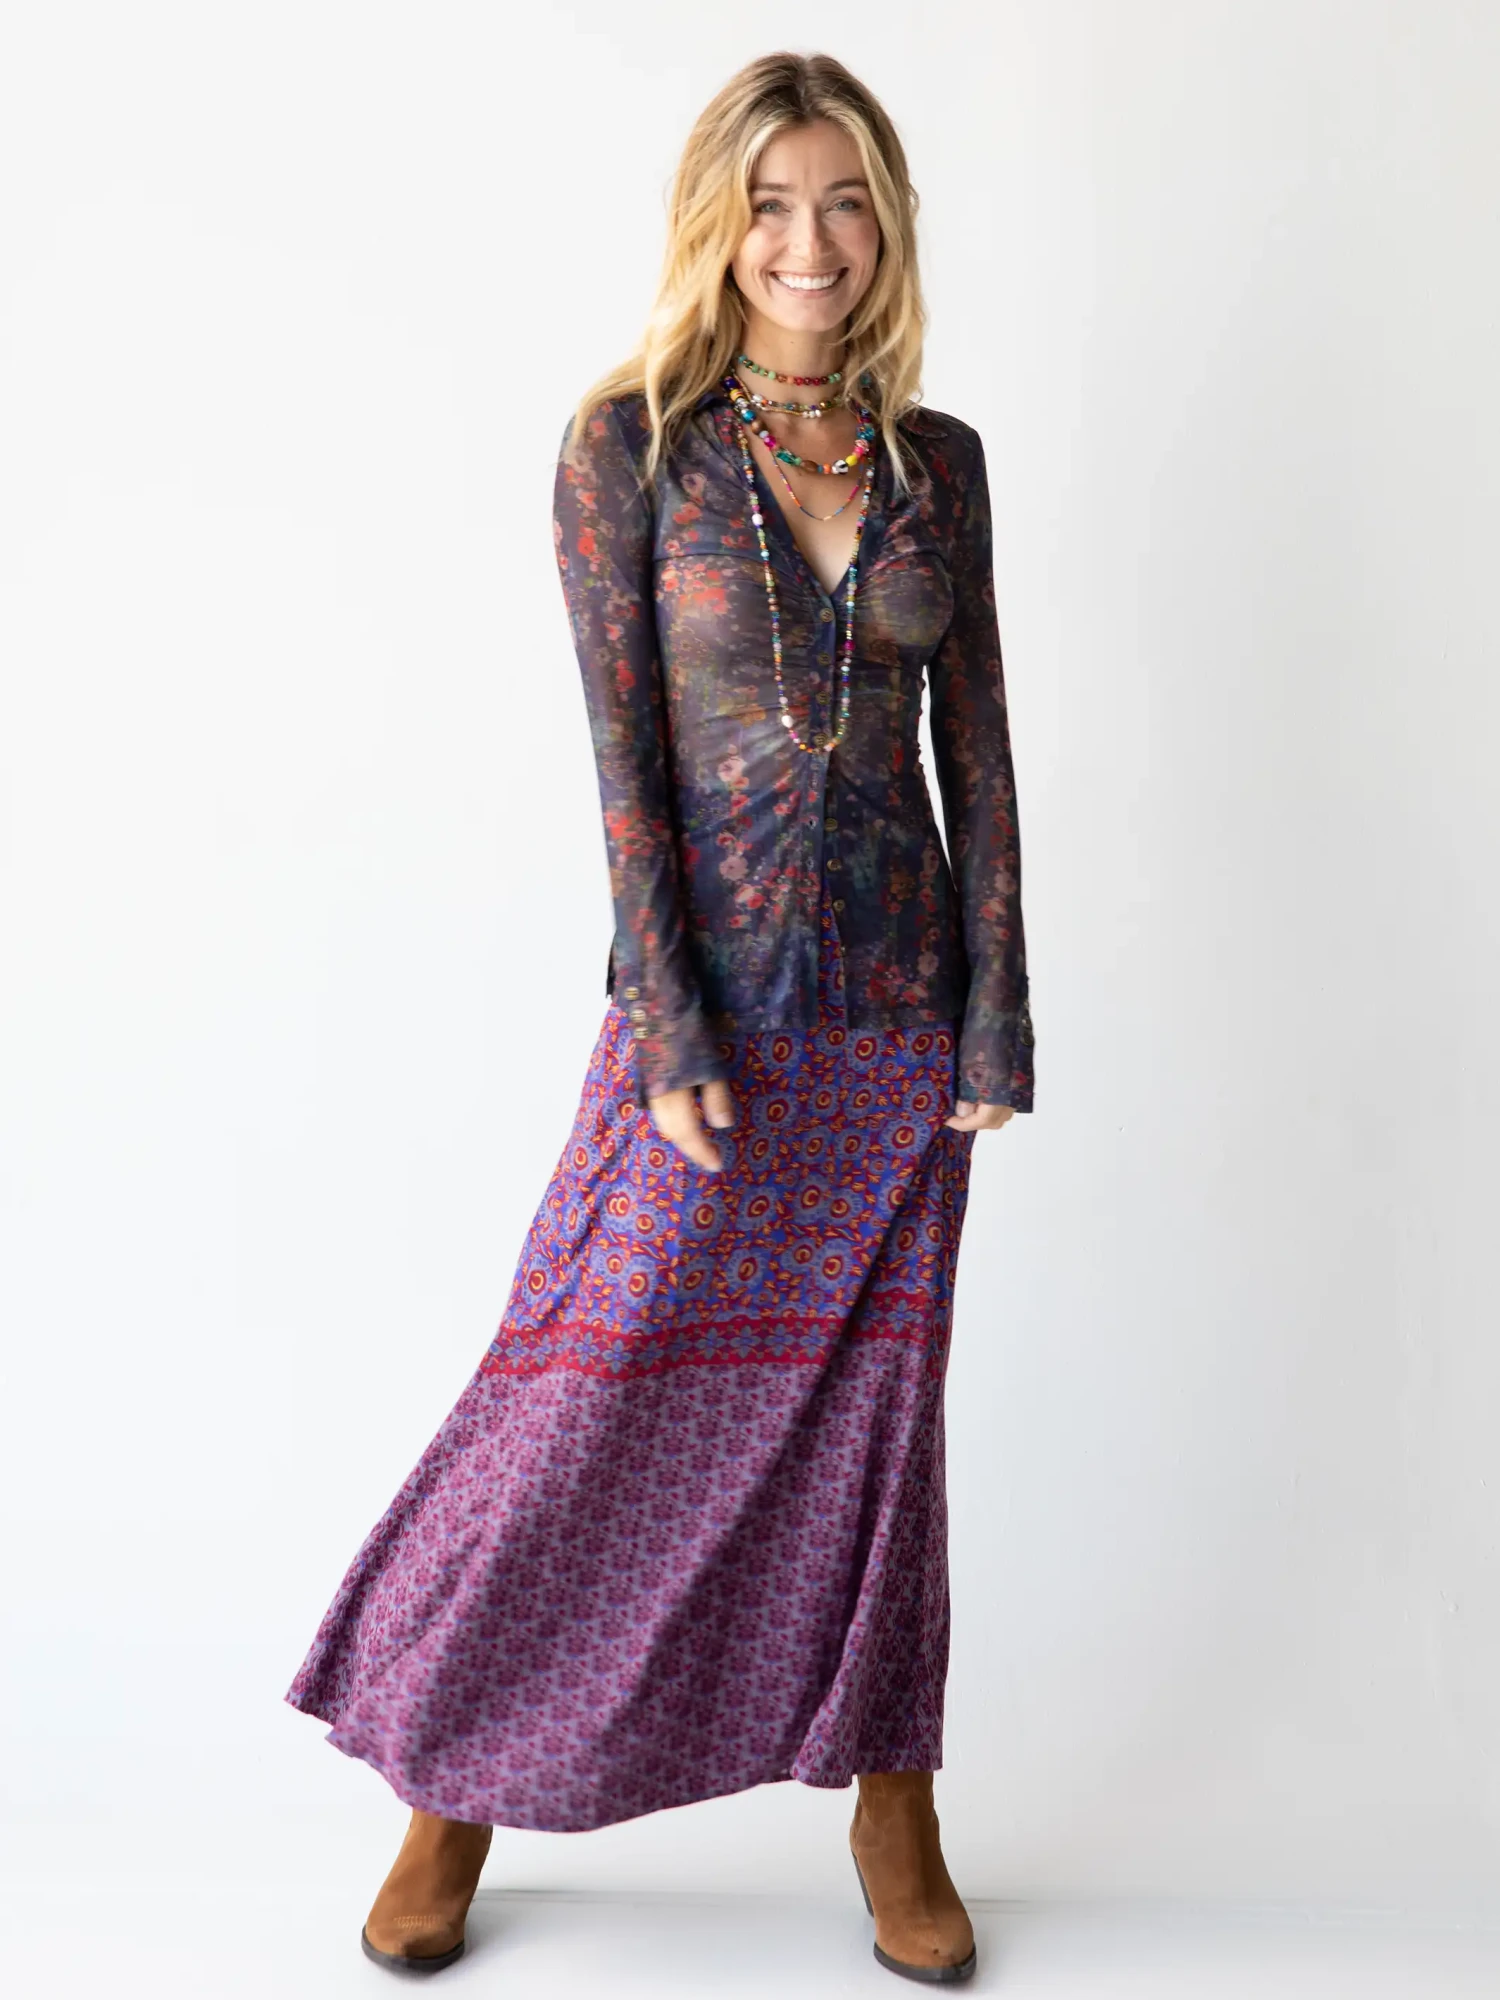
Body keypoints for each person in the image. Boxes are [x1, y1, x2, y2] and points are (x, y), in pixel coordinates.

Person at [284, 48, 1034, 1986]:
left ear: (889, 226)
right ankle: (450, 1785)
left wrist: (1000, 1012)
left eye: (845, 201)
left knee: (879, 1428)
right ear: (720, 223)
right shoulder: (627, 446)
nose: (810, 241)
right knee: (584, 1386)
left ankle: (892, 1800)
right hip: (708, 1023)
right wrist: (671, 1022)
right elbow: (621, 768)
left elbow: (980, 752)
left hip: (898, 1019)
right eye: (772, 203)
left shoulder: (937, 461)